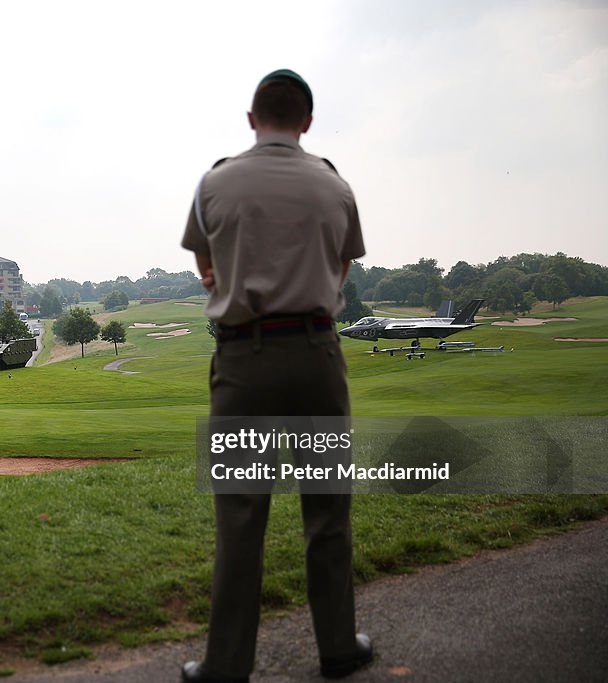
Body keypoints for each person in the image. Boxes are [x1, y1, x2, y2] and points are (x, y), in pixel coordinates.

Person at [180, 69, 372, 682]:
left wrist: (221, 277)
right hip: (317, 356)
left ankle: (226, 665)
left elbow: (201, 255)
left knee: (240, 516)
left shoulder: (216, 181)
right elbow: (343, 262)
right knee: (327, 514)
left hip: (245, 359)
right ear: (308, 122)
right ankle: (339, 648)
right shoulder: (333, 184)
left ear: (251, 119)